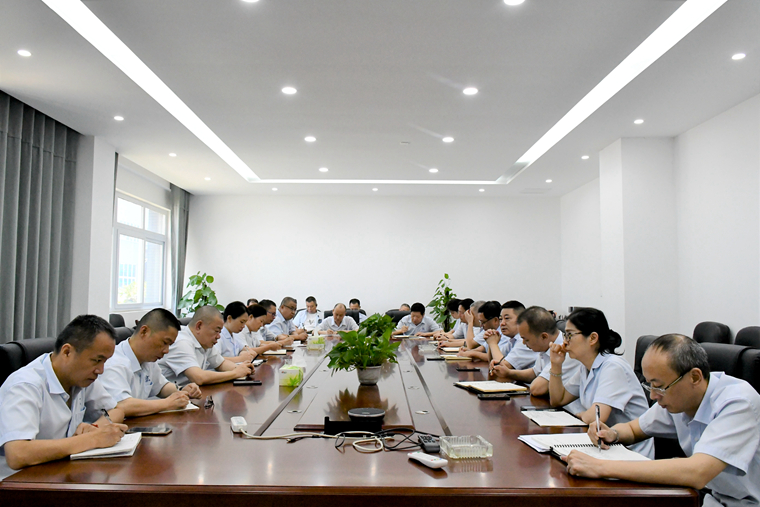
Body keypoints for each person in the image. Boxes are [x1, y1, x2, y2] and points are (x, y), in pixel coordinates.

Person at [565, 335, 760, 507]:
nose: (653, 396)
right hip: (713, 498)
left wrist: (599, 467)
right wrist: (612, 433)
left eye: (658, 386)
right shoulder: (679, 398)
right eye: (649, 385)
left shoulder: (738, 402)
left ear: (695, 377)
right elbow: (633, 429)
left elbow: (697, 472)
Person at [0, 315, 127, 478]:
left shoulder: (81, 378)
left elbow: (116, 410)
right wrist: (92, 439)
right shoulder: (25, 385)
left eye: (105, 362)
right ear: (67, 352)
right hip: (18, 482)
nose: (100, 370)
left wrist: (95, 428)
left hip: (61, 473)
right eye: (97, 360)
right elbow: (17, 454)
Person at [547, 307, 653, 458]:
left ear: (592, 338)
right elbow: (558, 400)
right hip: (604, 445)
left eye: (569, 335)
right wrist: (556, 364)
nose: (564, 342)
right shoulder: (586, 367)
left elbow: (594, 418)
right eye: (565, 335)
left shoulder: (613, 366)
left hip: (630, 451)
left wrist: (581, 414)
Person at [100, 309, 203, 419]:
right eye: (164, 343)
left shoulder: (148, 359)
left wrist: (182, 390)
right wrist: (167, 403)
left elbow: (161, 387)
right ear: (144, 332)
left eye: (170, 345)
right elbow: (121, 405)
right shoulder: (113, 363)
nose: (166, 351)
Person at [492, 306, 581, 396]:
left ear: (544, 337)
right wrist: (508, 373)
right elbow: (535, 372)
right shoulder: (545, 346)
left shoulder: (566, 352)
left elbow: (537, 389)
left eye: (526, 340)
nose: (523, 343)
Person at [158, 306, 254, 386]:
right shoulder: (182, 342)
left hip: (189, 394)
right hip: (166, 398)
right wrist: (235, 373)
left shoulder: (204, 342)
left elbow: (221, 364)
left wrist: (242, 369)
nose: (219, 336)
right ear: (199, 326)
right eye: (216, 331)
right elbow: (199, 377)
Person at [486, 301, 537, 371]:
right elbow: (492, 361)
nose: (502, 323)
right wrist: (490, 341)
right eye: (501, 319)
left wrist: (493, 343)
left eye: (507, 318)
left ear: (521, 320)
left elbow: (502, 367)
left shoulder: (525, 341)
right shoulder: (512, 340)